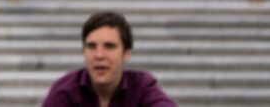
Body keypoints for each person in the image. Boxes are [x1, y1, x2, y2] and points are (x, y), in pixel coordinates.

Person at [42, 12, 175, 107]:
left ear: (126, 53)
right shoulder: (65, 91)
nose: (99, 55)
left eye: (109, 46)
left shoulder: (142, 87)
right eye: (91, 46)